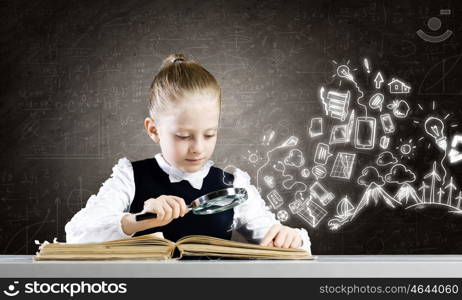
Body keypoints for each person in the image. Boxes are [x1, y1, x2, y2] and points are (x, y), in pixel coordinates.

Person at [65, 54, 311, 252]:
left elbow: (277, 239)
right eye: (183, 136)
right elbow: (77, 234)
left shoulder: (232, 185)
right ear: (154, 130)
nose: (198, 148)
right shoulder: (129, 177)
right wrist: (136, 220)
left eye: (209, 134)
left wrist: (290, 238)